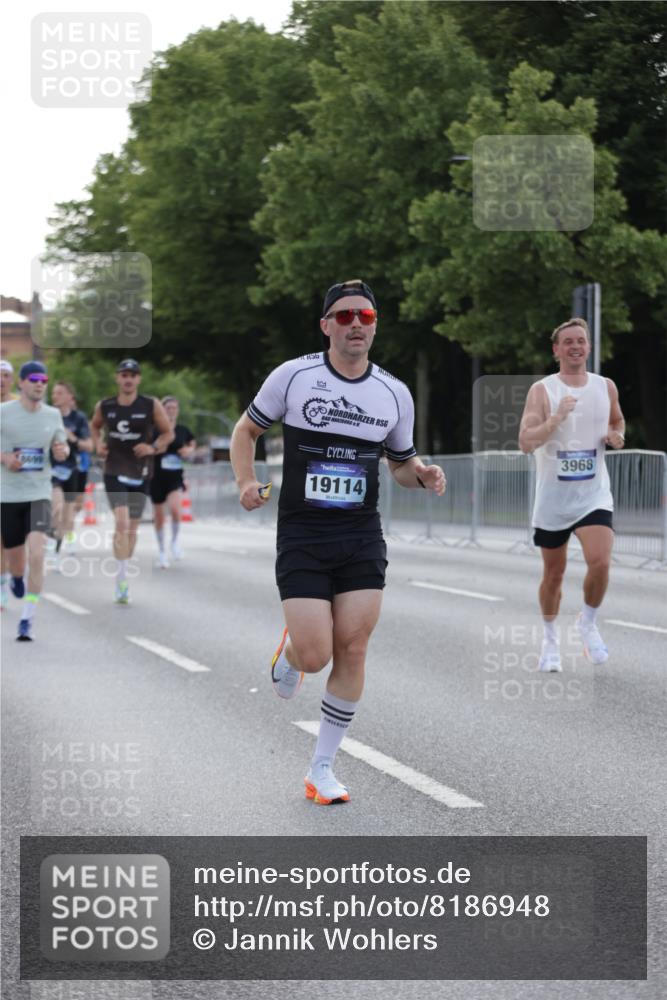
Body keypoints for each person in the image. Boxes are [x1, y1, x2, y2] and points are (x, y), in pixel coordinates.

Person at [231, 279, 446, 805]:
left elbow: (399, 465)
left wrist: (422, 474)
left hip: (360, 535)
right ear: (326, 325)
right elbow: (245, 431)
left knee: (353, 645)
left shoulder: (394, 393)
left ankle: (321, 767)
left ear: (374, 326)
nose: (355, 324)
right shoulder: (295, 377)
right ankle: (293, 653)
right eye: (345, 315)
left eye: (365, 317)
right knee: (316, 654)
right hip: (303, 533)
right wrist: (244, 481)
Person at [519, 317, 625, 672]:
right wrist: (556, 418)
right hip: (553, 500)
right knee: (554, 574)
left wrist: (615, 436)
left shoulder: (605, 386)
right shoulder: (542, 390)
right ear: (556, 349)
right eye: (568, 342)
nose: (576, 346)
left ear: (589, 347)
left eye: (581, 340)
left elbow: (617, 421)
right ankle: (550, 640)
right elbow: (525, 443)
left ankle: (588, 622)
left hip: (594, 495)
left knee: (601, 561)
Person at [90, 359, 173, 604]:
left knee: (132, 529)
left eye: (133, 375)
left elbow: (168, 433)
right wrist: (97, 444)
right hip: (114, 469)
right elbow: (94, 427)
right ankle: (121, 580)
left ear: (138, 379)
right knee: (122, 522)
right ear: (117, 378)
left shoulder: (150, 404)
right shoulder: (105, 406)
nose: (128, 379)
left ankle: (124, 568)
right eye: (124, 374)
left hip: (140, 472)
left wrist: (152, 446)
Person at [0, 361, 68, 638]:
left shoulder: (53, 415)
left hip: (39, 493)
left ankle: (27, 618)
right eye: (34, 379)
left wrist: (61, 451)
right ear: (22, 383)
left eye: (44, 380)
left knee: (38, 554)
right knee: (16, 561)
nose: (40, 384)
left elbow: (61, 447)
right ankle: (15, 577)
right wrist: (5, 458)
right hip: (7, 495)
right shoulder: (3, 413)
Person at [149, 396, 196, 568]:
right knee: (159, 517)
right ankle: (161, 552)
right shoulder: (154, 430)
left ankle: (174, 542)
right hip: (156, 477)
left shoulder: (183, 430)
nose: (171, 411)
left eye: (174, 408)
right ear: (161, 410)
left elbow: (192, 445)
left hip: (175, 476)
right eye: (167, 408)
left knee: (176, 510)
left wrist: (188, 450)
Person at [49, 381, 92, 564]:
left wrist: (72, 437)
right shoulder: (47, 415)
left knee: (70, 513)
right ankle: (54, 546)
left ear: (69, 397)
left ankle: (62, 545)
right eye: (54, 393)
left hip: (73, 470)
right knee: (57, 509)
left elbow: (89, 446)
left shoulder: (79, 418)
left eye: (59, 393)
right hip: (51, 470)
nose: (55, 396)